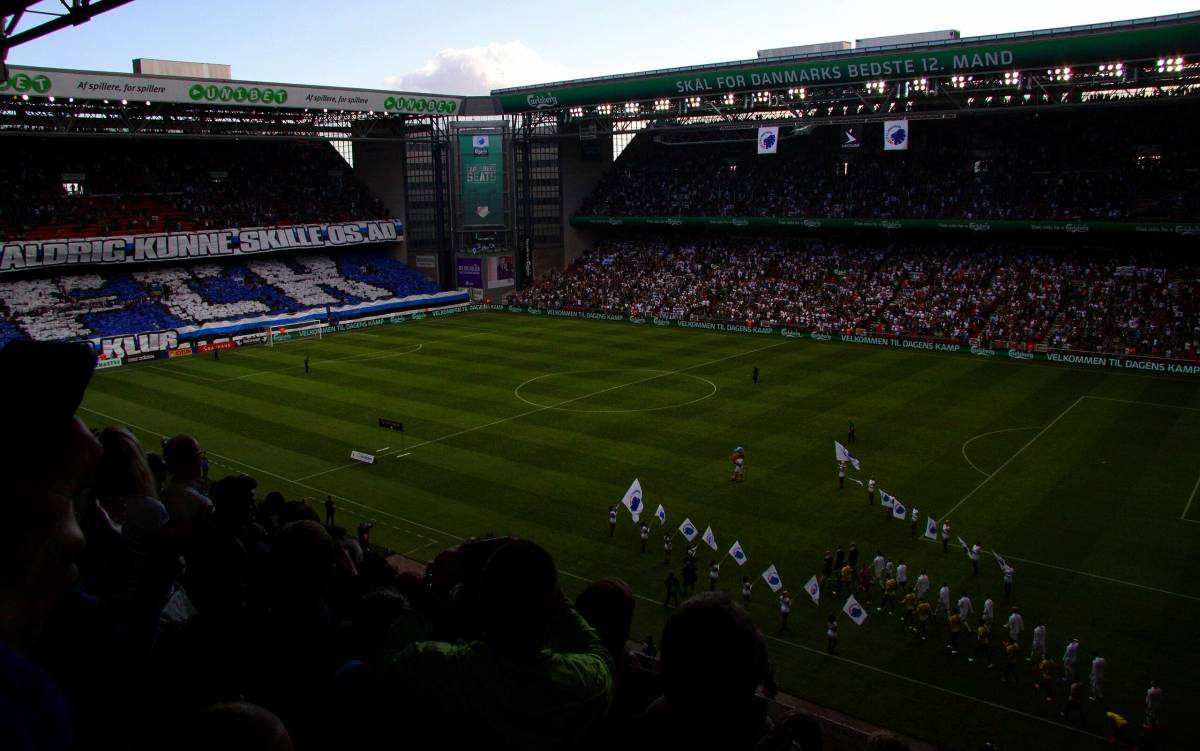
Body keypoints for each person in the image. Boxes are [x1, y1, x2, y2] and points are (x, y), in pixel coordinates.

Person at [379, 539, 613, 748]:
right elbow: (598, 653)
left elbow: (380, 668)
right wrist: (551, 594)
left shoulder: (434, 664)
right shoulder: (584, 682)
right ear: (551, 612)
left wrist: (433, 585)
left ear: (483, 605)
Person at [162, 434, 214, 524]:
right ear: (195, 460)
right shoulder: (202, 504)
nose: (202, 458)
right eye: (199, 454)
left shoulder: (163, 493)